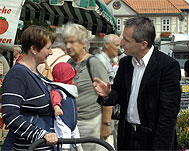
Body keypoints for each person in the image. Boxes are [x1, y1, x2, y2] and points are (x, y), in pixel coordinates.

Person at [93, 16, 181, 150]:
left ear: (143, 44)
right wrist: (108, 94)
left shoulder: (167, 66)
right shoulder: (125, 63)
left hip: (152, 140)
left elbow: (168, 114)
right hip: (127, 137)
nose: (121, 43)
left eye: (126, 40)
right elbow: (119, 95)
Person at [1, 25, 58, 150]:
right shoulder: (17, 75)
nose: (51, 52)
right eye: (48, 48)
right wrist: (41, 134)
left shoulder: (35, 74)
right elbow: (10, 115)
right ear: (33, 49)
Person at [62, 23, 112, 151]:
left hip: (90, 122)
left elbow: (107, 95)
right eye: (66, 42)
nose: (68, 46)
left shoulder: (93, 62)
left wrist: (106, 124)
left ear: (84, 43)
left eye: (72, 42)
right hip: (72, 122)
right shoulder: (70, 62)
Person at [47, 62, 83, 151]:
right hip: (63, 120)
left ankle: (79, 148)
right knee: (65, 139)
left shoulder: (69, 90)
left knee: (76, 137)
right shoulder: (58, 91)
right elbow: (55, 99)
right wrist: (56, 107)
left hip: (72, 121)